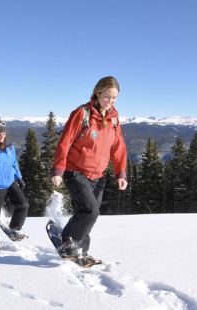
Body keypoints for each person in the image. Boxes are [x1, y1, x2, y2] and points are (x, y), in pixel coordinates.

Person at [50, 76, 128, 263]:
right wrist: (58, 170)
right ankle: (69, 242)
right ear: (98, 93)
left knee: (88, 215)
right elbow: (65, 141)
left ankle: (80, 251)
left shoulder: (114, 120)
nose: (110, 101)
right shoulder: (82, 114)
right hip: (75, 171)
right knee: (90, 211)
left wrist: (120, 173)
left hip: (98, 175)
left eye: (114, 98)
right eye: (107, 96)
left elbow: (119, 148)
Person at [0, 114, 29, 250]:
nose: (1, 136)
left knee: (23, 205)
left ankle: (15, 228)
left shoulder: (10, 147)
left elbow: (14, 164)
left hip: (10, 183)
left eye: (2, 133)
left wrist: (19, 177)